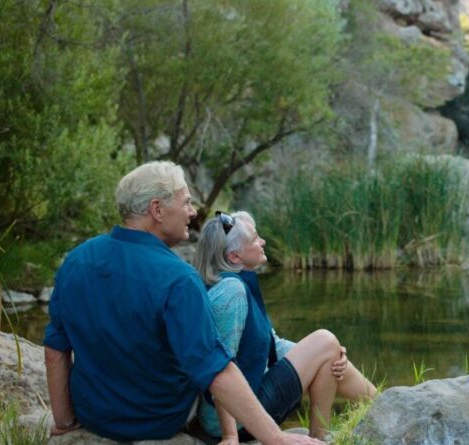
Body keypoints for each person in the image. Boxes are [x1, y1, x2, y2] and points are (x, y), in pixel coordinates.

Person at [43, 161, 324, 445]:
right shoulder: (178, 278)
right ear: (157, 209)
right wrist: (275, 437)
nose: (192, 212)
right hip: (158, 420)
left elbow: (56, 348)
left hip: (95, 416)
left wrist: (64, 421)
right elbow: (215, 370)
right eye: (186, 202)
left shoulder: (77, 260)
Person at [193, 210, 377, 442]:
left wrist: (320, 356)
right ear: (235, 257)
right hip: (237, 417)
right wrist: (230, 435)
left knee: (329, 349)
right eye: (254, 239)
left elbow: (271, 344)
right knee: (326, 340)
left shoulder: (236, 281)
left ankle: (379, 404)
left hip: (246, 401)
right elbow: (220, 366)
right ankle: (329, 433)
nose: (263, 242)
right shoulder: (231, 292)